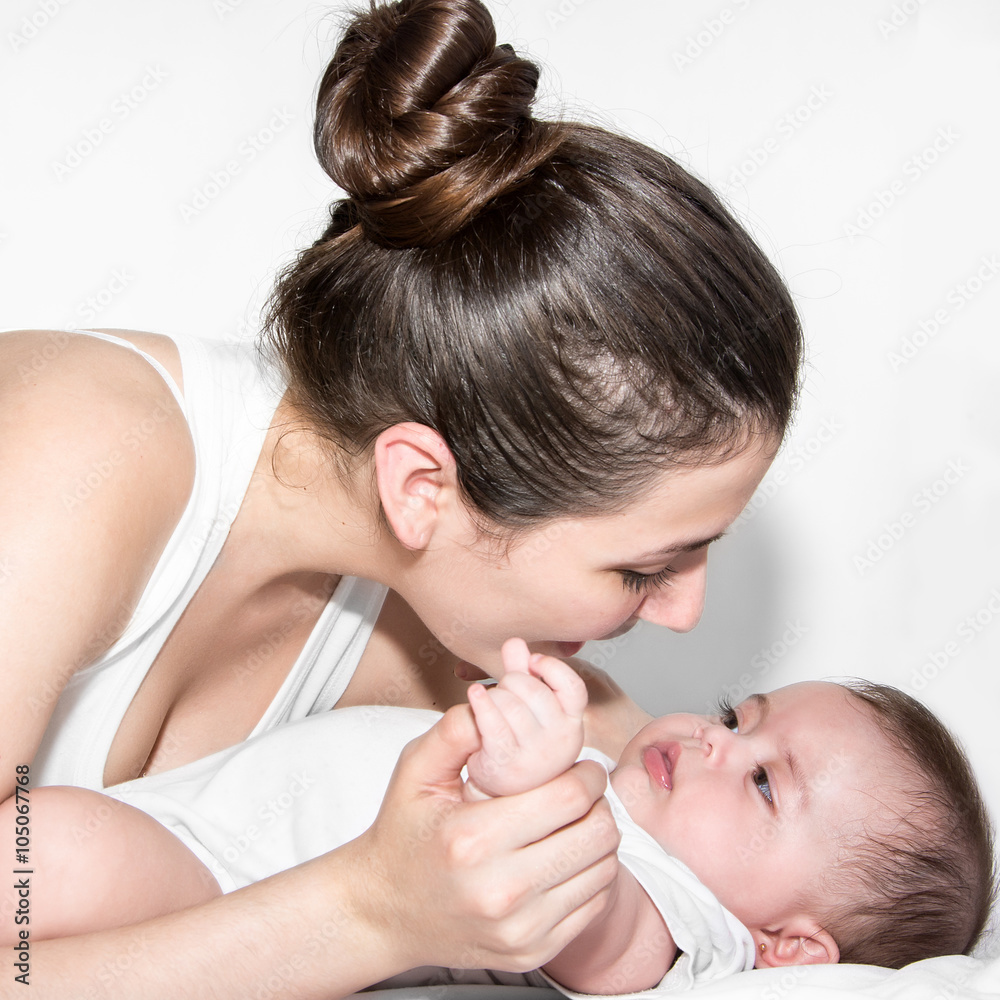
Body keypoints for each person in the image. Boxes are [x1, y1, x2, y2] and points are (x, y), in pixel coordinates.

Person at [0, 0, 803, 992]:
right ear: (422, 486)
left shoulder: (461, 662)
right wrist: (369, 913)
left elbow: (733, 903)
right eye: (644, 567)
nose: (686, 614)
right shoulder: (62, 466)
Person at [7, 642, 993, 995]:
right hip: (210, 827)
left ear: (789, 949)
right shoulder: (616, 782)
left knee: (54, 847)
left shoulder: (681, 921)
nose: (712, 742)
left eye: (764, 783)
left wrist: (531, 790)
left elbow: (596, 933)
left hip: (231, 884)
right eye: (739, 718)